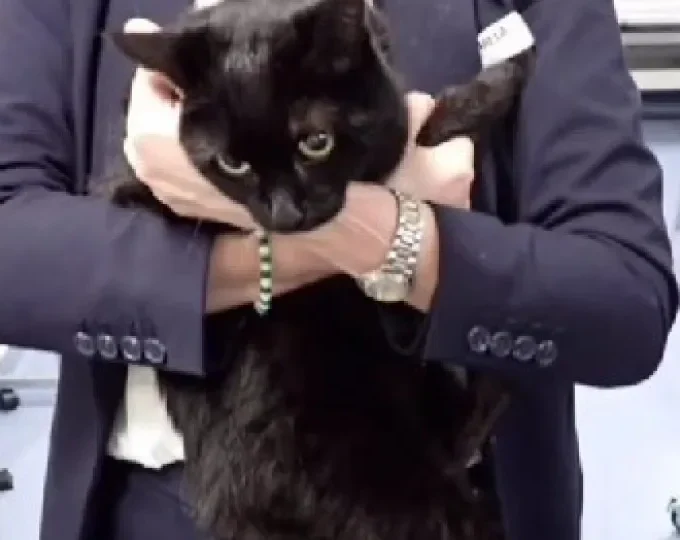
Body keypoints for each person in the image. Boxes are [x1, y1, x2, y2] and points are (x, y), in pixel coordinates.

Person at [0, 0, 675, 539]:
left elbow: (624, 296)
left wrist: (394, 236)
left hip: (423, 492)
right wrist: (305, 245)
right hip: (154, 501)